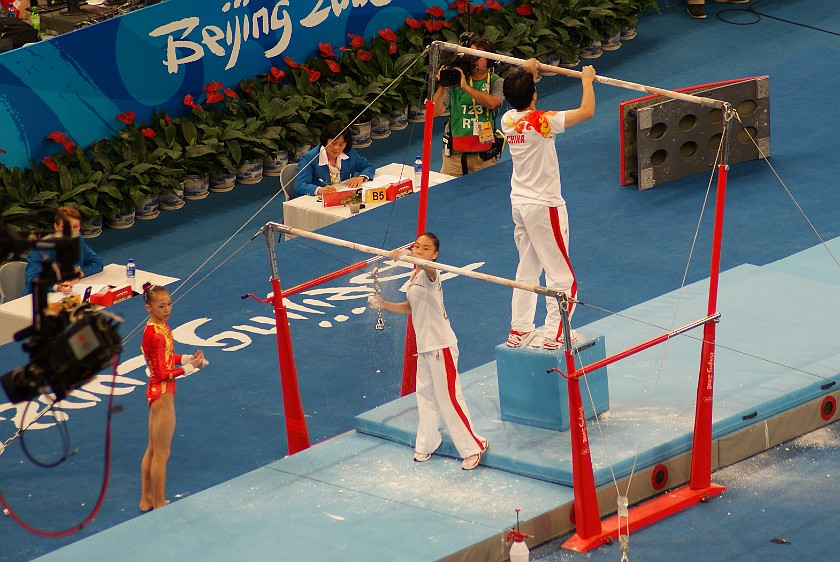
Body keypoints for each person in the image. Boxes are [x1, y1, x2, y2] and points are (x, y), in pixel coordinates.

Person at [368, 233, 488, 470]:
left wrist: (405, 255)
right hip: (425, 347)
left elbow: (425, 265)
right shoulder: (414, 276)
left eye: (425, 249)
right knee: (425, 396)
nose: (420, 251)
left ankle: (473, 446)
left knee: (448, 399)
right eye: (417, 247)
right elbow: (410, 307)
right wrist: (384, 304)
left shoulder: (432, 273)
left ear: (435, 255)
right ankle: (428, 442)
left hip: (440, 345)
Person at [500, 59, 595, 350]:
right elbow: (587, 111)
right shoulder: (543, 121)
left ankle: (520, 329)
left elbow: (523, 100)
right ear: (534, 95)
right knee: (562, 277)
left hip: (519, 204)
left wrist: (528, 71)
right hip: (544, 207)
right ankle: (555, 333)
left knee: (527, 269)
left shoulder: (507, 121)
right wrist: (587, 79)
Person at [139, 285, 206, 511]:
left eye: (169, 304)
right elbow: (160, 373)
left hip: (158, 392)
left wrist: (187, 358)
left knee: (152, 448)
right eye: (161, 306)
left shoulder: (159, 326)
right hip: (162, 394)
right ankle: (158, 502)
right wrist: (190, 368)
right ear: (148, 307)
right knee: (162, 452)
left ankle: (146, 499)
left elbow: (166, 358)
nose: (167, 309)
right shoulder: (155, 335)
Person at [432, 37, 504, 177]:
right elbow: (434, 112)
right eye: (470, 55)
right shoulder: (455, 80)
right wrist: (443, 84)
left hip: (483, 159)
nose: (473, 60)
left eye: (478, 56)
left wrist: (465, 87)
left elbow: (492, 103)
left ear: (490, 60)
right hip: (453, 159)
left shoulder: (497, 82)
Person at [22, 206, 104, 296]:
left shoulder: (79, 241)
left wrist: (80, 274)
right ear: (56, 226)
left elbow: (97, 262)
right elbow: (32, 280)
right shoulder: (40, 248)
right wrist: (57, 287)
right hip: (36, 299)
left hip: (70, 293)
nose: (71, 232)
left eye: (75, 227)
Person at [294, 120, 376, 197]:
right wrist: (319, 190)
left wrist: (361, 178)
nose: (336, 148)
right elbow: (299, 185)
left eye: (341, 144)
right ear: (325, 140)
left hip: (343, 198)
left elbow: (368, 166)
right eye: (333, 143)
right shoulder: (310, 158)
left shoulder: (349, 153)